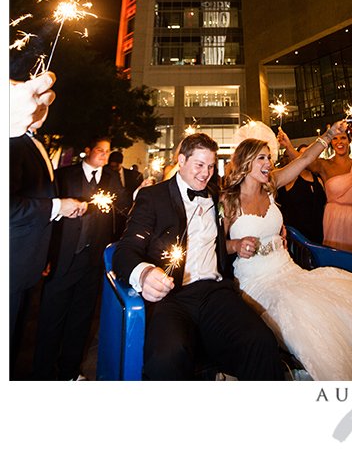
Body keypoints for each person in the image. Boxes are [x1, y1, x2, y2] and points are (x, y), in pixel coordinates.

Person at [222, 137, 352, 380]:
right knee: (304, 311)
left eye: (269, 157)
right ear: (246, 162)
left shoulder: (271, 185)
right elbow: (214, 247)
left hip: (289, 270)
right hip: (256, 280)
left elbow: (306, 158)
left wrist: (328, 136)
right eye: (262, 158)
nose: (269, 163)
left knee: (342, 301)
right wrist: (234, 245)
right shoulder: (228, 200)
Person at [112, 132, 285, 380]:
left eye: (211, 166)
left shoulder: (217, 195)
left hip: (215, 292)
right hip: (171, 297)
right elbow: (126, 250)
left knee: (261, 341)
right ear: (181, 161)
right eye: (199, 165)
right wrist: (146, 273)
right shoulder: (153, 197)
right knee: (167, 357)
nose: (206, 173)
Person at [32, 137, 131, 379]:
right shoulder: (65, 176)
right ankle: (42, 374)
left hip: (92, 262)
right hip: (64, 259)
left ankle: (70, 371)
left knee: (81, 320)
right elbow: (48, 218)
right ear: (87, 150)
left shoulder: (111, 179)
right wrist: (45, 255)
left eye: (108, 152)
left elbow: (124, 206)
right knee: (51, 319)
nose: (104, 156)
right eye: (100, 150)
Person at [10, 127, 87, 371]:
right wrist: (57, 206)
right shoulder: (12, 142)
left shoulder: (33, 142)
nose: (42, 109)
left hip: (27, 262)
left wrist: (44, 254)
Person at [289, 126, 352, 287]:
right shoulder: (324, 166)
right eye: (335, 139)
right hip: (334, 224)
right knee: (339, 275)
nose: (339, 142)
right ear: (331, 142)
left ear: (349, 141)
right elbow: (303, 161)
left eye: (343, 138)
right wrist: (287, 145)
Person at [274, 142, 327, 244]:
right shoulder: (289, 180)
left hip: (319, 233)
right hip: (298, 237)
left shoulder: (319, 180)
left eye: (311, 154)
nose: (308, 159)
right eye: (303, 155)